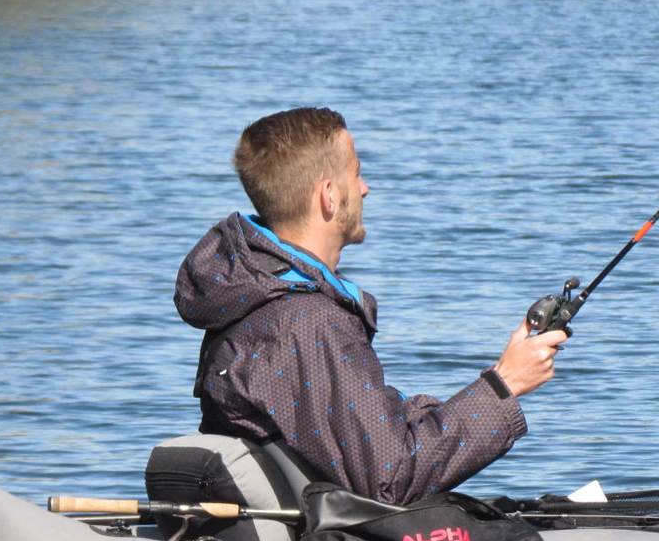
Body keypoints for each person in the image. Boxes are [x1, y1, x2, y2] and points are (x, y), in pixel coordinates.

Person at [175, 107, 567, 504]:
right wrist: (506, 386)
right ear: (329, 195)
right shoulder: (309, 322)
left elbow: (363, 431)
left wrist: (491, 384)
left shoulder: (256, 298)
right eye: (357, 173)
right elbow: (392, 479)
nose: (365, 188)